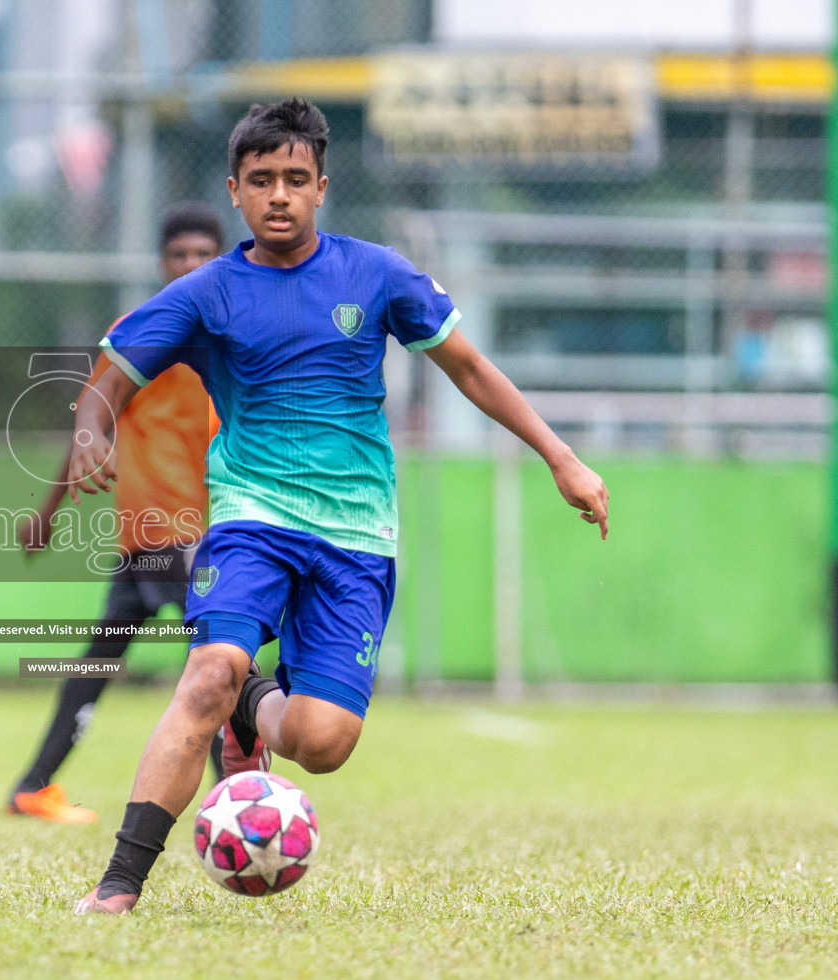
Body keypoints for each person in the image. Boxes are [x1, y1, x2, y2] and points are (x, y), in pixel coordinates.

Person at [68, 98, 610, 914]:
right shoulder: (206, 292)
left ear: (322, 185)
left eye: (294, 178)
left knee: (322, 744)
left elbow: (467, 368)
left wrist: (560, 456)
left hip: (356, 538)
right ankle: (119, 886)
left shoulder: (378, 275)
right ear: (235, 191)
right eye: (261, 181)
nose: (278, 194)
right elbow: (108, 378)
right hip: (252, 518)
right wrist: (89, 433)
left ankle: (254, 705)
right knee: (208, 672)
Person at [7, 203, 226, 824]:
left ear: (220, 258)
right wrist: (46, 514)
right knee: (219, 657)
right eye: (179, 255)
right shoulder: (141, 333)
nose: (189, 265)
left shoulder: (231, 337)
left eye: (201, 255)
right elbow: (87, 425)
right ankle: (240, 798)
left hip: (195, 530)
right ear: (162, 263)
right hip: (168, 532)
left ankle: (32, 784)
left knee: (103, 664)